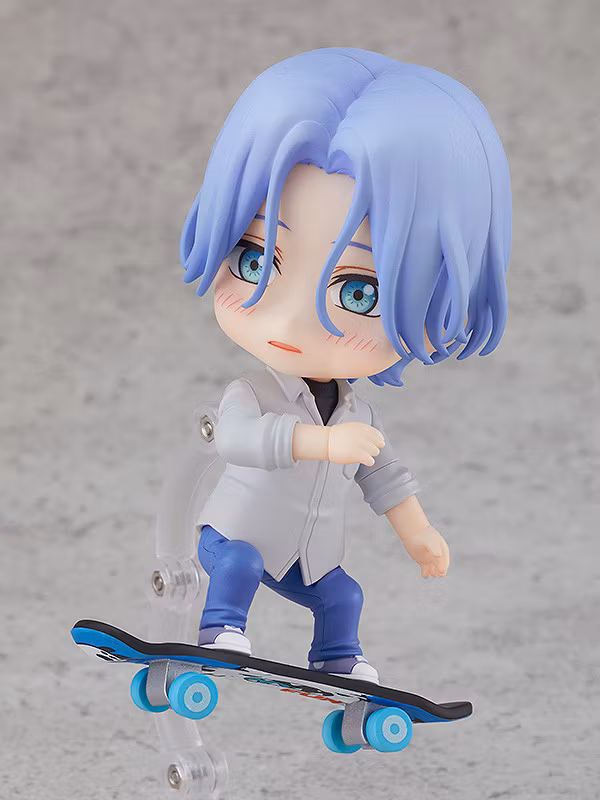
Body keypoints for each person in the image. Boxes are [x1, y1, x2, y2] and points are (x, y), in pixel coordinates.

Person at [179, 48, 511, 683]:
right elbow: (238, 441)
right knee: (239, 566)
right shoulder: (252, 392)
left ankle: (337, 659)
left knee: (343, 596)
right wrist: (321, 444)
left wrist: (418, 532)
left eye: (359, 293)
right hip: (233, 537)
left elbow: (385, 477)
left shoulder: (360, 416)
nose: (288, 326)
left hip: (304, 555)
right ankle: (222, 628)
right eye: (254, 260)